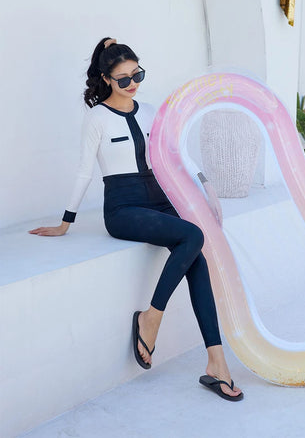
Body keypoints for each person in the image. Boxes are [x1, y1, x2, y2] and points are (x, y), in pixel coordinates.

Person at [29, 37, 243, 401]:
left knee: (197, 256)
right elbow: (84, 172)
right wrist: (66, 222)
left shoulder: (151, 111)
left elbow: (175, 153)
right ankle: (152, 317)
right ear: (106, 79)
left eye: (137, 74)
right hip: (123, 207)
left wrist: (206, 186)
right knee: (193, 237)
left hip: (159, 199)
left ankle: (216, 362)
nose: (132, 84)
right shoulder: (97, 118)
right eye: (124, 79)